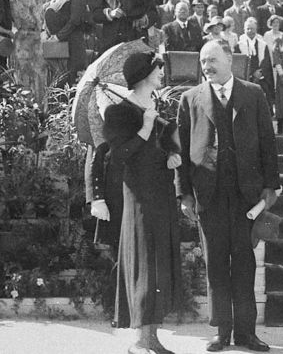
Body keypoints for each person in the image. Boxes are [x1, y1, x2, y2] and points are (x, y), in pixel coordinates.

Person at [176, 39, 279, 352]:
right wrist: (185, 195)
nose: (207, 67)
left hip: (246, 196)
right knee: (217, 266)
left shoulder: (254, 93)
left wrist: (270, 185)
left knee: (245, 264)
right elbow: (180, 150)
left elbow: (267, 142)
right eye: (203, 61)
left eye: (212, 60)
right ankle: (222, 332)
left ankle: (247, 333)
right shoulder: (190, 98)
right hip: (209, 196)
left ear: (230, 60)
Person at [100, 51, 182, 354]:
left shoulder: (157, 108)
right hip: (139, 195)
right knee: (144, 264)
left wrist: (173, 154)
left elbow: (167, 148)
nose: (162, 73)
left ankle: (152, 337)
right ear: (143, 74)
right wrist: (145, 128)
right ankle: (139, 340)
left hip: (161, 193)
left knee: (158, 265)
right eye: (158, 69)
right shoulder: (119, 112)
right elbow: (118, 156)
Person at [44, 0, 88, 86]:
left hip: (72, 47)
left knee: (70, 80)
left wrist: (58, 36)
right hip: (60, 47)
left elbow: (74, 21)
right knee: (59, 81)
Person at [7, 0, 46, 101]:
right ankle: (25, 109)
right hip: (21, 40)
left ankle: (41, 109)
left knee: (39, 74)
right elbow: (13, 21)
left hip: (36, 39)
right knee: (22, 73)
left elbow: (40, 19)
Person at [238, 18, 274, 111]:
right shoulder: (239, 45)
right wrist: (252, 73)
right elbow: (239, 63)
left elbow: (266, 62)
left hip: (261, 78)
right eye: (248, 29)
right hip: (246, 79)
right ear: (244, 30)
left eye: (252, 29)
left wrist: (260, 73)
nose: (250, 31)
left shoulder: (263, 45)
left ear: (256, 30)